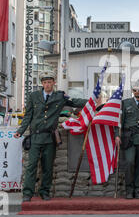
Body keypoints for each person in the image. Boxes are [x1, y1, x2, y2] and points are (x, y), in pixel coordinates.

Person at [14, 70, 90, 202]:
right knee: (31, 165)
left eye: (49, 82)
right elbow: (28, 116)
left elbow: (75, 102)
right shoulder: (33, 96)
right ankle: (28, 192)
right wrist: (20, 130)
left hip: (50, 138)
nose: (47, 85)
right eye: (45, 82)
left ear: (54, 83)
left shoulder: (60, 96)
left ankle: (45, 191)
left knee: (47, 166)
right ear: (42, 84)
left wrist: (92, 100)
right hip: (36, 137)